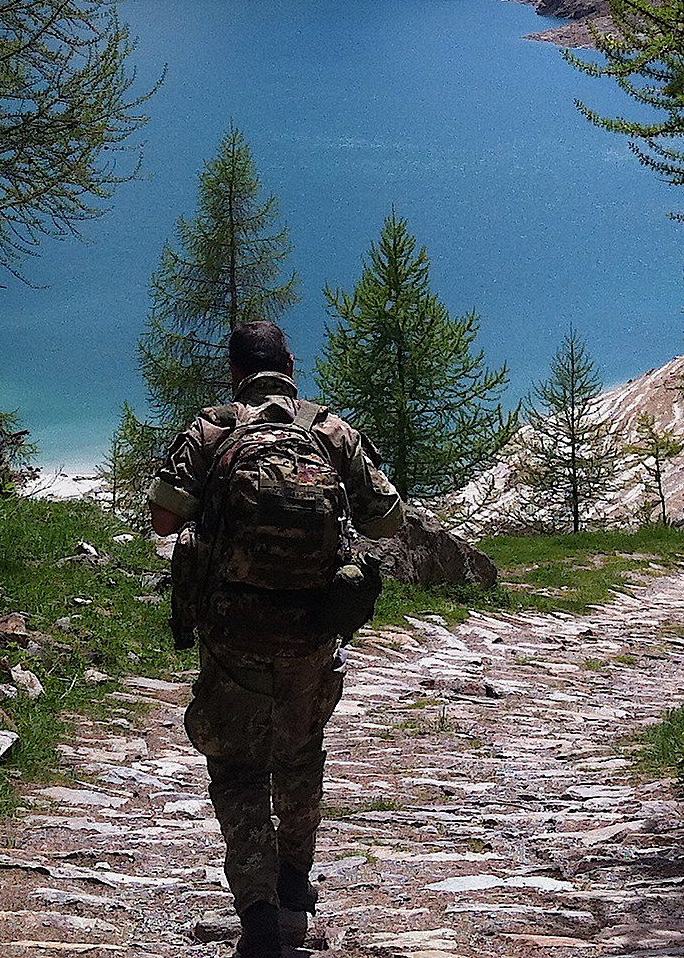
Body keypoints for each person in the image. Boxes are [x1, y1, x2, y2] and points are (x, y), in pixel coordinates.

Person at [150, 320, 405, 958]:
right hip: (312, 634)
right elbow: (389, 518)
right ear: (290, 364)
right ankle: (295, 895)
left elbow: (161, 516)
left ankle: (257, 916)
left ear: (234, 370)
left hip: (233, 634)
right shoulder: (331, 432)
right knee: (299, 760)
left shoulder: (211, 430)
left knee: (237, 770)